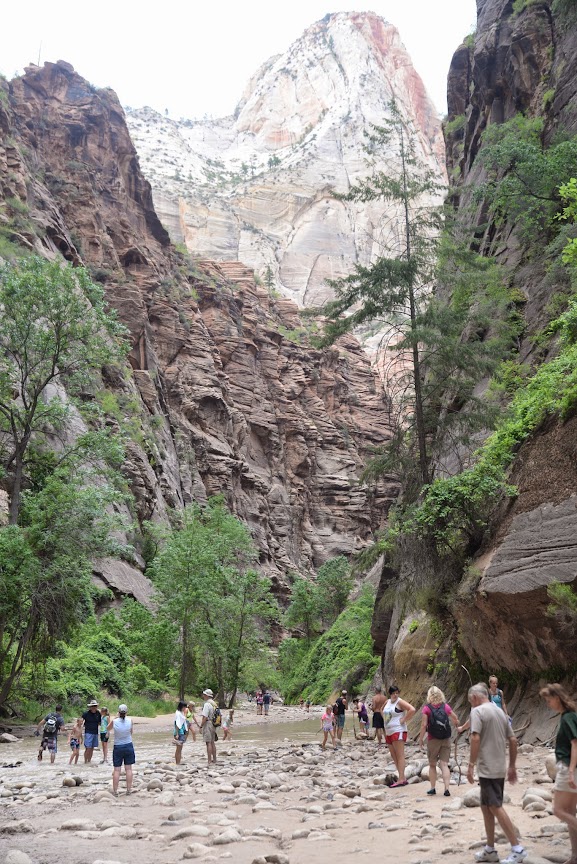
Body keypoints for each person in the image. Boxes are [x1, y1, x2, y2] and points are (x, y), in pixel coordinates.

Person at [467, 682, 526, 864]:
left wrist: (470, 764)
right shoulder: (500, 712)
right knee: (486, 806)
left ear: (475, 698)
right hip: (499, 766)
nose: (471, 704)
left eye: (470, 701)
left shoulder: (477, 712)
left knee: (494, 806)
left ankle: (517, 848)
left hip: (487, 767)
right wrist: (512, 766)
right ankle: (490, 849)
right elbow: (513, 740)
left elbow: (475, 737)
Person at [540, 683, 577, 864]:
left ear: (557, 698)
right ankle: (575, 856)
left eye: (549, 700)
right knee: (570, 812)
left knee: (558, 810)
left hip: (568, 768)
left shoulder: (568, 717)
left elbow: (575, 744)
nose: (548, 704)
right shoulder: (568, 716)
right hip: (571, 768)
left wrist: (570, 771)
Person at [419, 685, 460, 796]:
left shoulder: (427, 708)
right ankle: (446, 789)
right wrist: (457, 725)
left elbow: (423, 725)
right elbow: (455, 718)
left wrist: (421, 739)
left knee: (432, 765)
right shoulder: (445, 706)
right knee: (444, 765)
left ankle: (433, 788)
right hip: (445, 738)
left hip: (433, 739)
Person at [384, 685, 415, 787]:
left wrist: (403, 719)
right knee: (393, 755)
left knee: (400, 755)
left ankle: (401, 778)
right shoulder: (387, 702)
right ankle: (402, 777)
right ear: (390, 693)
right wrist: (386, 721)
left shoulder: (400, 702)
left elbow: (412, 709)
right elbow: (381, 710)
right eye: (393, 693)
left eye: (397, 693)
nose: (395, 695)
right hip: (389, 731)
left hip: (398, 730)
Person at [109, 704, 135, 796]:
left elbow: (108, 728)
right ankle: (128, 790)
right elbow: (131, 732)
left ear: (119, 712)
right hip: (128, 745)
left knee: (117, 770)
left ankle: (115, 791)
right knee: (128, 769)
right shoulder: (130, 721)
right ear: (126, 712)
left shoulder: (115, 721)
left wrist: (115, 717)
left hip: (118, 746)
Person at [200, 687, 217, 765]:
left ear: (207, 695)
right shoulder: (214, 704)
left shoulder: (207, 704)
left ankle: (209, 761)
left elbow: (205, 717)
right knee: (212, 742)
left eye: (204, 695)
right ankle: (214, 759)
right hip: (214, 724)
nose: (203, 696)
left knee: (208, 742)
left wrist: (201, 726)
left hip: (208, 723)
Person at [81, 699, 101, 763]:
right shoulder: (86, 714)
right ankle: (85, 761)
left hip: (95, 732)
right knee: (88, 748)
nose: (93, 707)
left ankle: (89, 761)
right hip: (88, 732)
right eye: (92, 706)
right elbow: (81, 722)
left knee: (92, 748)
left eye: (95, 706)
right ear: (90, 707)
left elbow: (100, 723)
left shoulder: (98, 713)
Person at [173, 700, 188, 765]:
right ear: (181, 707)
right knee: (178, 749)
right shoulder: (178, 714)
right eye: (184, 707)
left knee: (180, 748)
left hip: (181, 732)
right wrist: (176, 734)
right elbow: (177, 724)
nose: (185, 709)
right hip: (179, 733)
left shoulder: (180, 713)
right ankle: (177, 763)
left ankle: (178, 762)